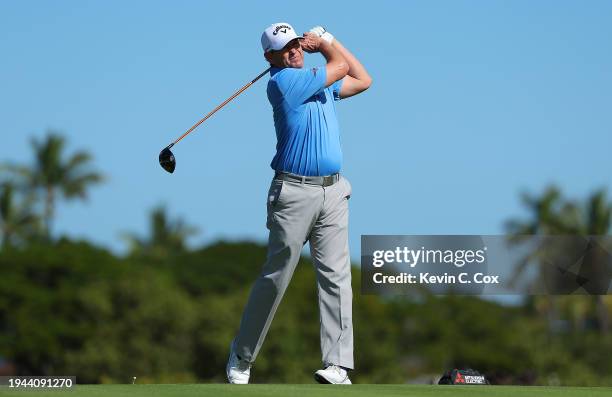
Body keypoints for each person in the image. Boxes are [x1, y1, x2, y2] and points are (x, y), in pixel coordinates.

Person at [226, 22, 371, 385]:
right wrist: (323, 44)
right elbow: (339, 67)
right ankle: (242, 356)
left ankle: (338, 365)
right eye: (285, 48)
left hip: (334, 191)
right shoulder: (284, 82)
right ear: (270, 57)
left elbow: (363, 79)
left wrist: (330, 42)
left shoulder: (317, 81)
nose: (293, 51)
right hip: (293, 194)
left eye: (295, 45)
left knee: (337, 278)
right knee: (277, 277)